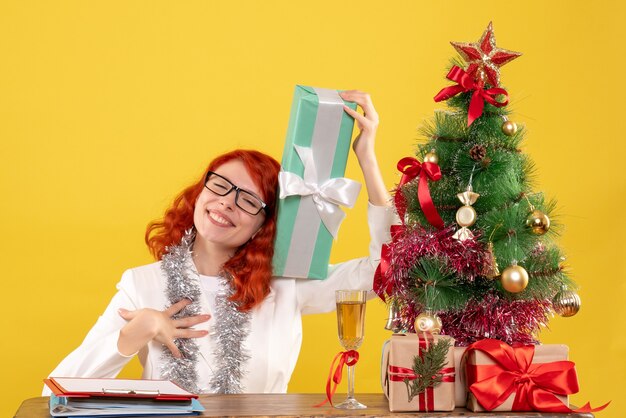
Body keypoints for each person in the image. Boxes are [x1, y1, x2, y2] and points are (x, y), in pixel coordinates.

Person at [44, 90, 394, 394]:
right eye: (220, 185)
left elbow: (384, 271)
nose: (226, 202)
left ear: (263, 225)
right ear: (199, 193)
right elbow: (55, 390)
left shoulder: (284, 284)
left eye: (248, 200)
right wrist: (138, 331)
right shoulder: (141, 283)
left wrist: (367, 159)